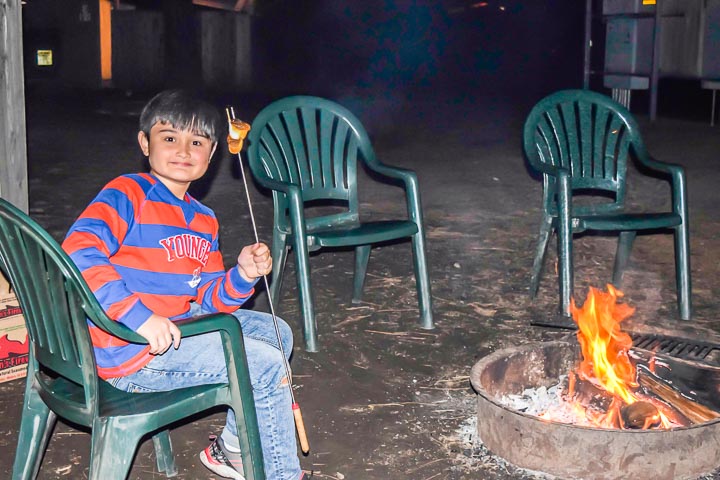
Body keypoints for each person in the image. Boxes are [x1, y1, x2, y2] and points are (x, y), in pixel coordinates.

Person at [61, 89, 305, 480]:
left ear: (210, 157)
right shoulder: (128, 193)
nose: (183, 150)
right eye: (170, 138)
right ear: (145, 143)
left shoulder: (204, 220)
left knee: (276, 333)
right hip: (130, 348)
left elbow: (209, 300)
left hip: (175, 324)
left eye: (197, 143)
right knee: (264, 365)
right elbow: (78, 249)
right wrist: (139, 317)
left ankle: (232, 450)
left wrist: (242, 274)